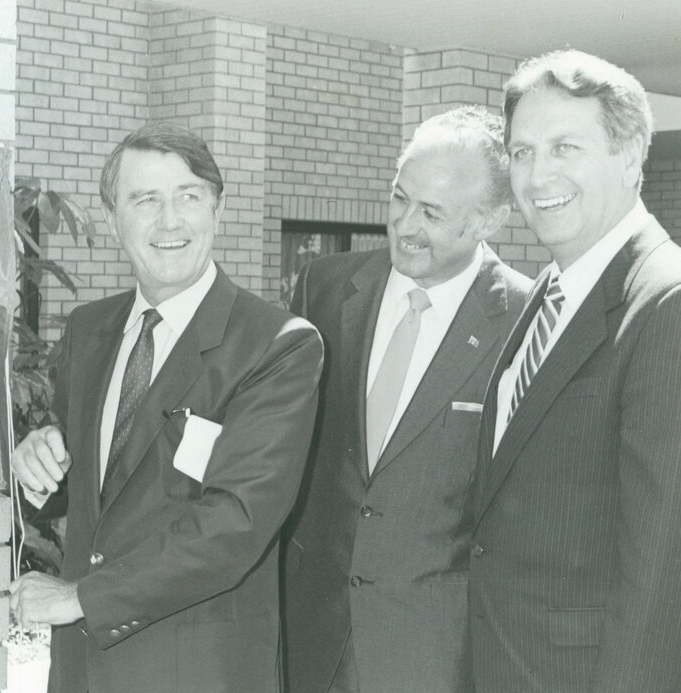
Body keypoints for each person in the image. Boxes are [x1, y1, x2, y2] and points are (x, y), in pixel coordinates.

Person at [8, 121, 324, 693]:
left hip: (197, 672)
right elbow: (87, 490)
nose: (170, 221)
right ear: (113, 220)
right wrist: (37, 464)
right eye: (145, 199)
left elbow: (236, 523)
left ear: (217, 210)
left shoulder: (276, 345)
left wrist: (83, 598)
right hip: (82, 671)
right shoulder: (88, 330)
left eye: (189, 197)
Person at [282, 106, 531, 693]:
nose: (405, 225)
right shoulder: (324, 287)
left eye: (432, 213)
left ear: (490, 220)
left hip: (431, 651)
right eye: (400, 198)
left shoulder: (525, 321)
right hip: (310, 633)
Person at [469, 49, 681, 692]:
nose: (538, 175)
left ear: (630, 155)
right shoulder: (552, 290)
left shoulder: (666, 303)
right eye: (523, 152)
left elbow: (661, 567)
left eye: (565, 147)